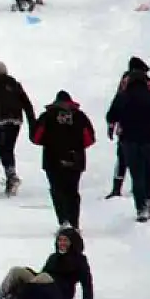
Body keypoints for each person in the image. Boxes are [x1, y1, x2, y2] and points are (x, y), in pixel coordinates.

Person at [31, 90, 96, 230]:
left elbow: (35, 137)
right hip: (75, 159)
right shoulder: (80, 116)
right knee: (72, 191)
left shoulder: (47, 116)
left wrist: (50, 142)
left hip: (52, 159)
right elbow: (90, 138)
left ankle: (63, 221)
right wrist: (76, 146)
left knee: (57, 191)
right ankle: (74, 223)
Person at [0, 227, 93, 299]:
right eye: (60, 240)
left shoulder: (79, 259)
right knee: (17, 271)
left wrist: (88, 298)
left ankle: (19, 294)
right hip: (45, 283)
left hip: (61, 291)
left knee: (43, 277)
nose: (62, 243)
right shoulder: (54, 256)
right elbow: (44, 273)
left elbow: (86, 279)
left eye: (65, 241)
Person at [105, 68, 150, 221]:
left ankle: (141, 208)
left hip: (130, 141)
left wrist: (113, 127)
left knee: (137, 175)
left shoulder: (122, 97)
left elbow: (111, 115)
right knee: (149, 172)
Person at [0, 61, 36, 196]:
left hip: (0, 119)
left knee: (3, 148)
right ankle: (11, 176)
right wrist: (33, 123)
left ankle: (11, 176)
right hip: (16, 119)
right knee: (8, 148)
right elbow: (27, 104)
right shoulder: (14, 84)